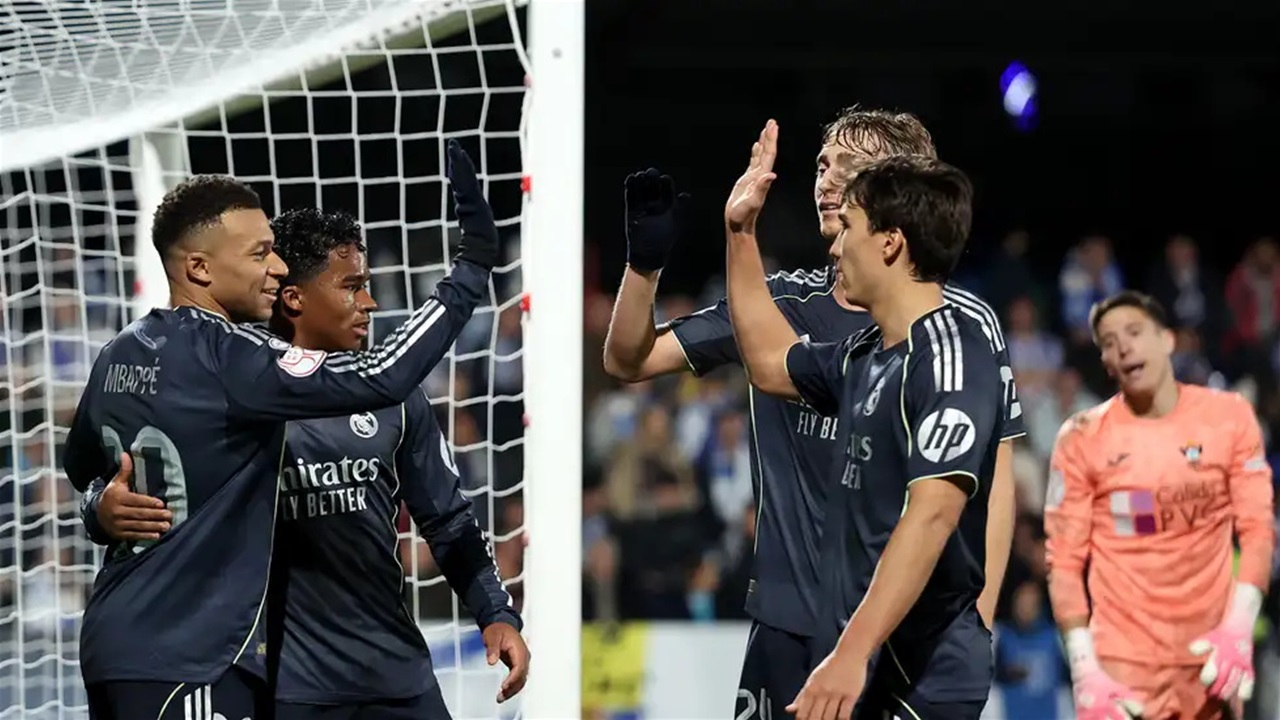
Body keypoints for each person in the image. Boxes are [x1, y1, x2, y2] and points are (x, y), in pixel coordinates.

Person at [602, 107, 1022, 718]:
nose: (826, 182)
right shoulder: (819, 328)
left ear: (894, 199)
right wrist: (670, 257)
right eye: (822, 166)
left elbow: (982, 485)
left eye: (847, 169)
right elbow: (658, 361)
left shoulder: (956, 332)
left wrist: (979, 618)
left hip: (906, 631)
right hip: (791, 622)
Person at [63, 140, 498, 719]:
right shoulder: (233, 357)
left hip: (119, 641)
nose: (276, 267)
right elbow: (385, 374)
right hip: (194, 654)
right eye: (260, 253)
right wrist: (471, 268)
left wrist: (98, 506)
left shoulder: (120, 352)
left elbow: (82, 466)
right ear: (199, 267)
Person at [724, 120, 1000, 720]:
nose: (833, 246)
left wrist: (851, 653)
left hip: (918, 674)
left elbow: (931, 516)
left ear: (890, 243)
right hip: (854, 652)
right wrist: (740, 232)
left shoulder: (954, 356)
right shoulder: (865, 354)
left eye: (848, 227)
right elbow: (769, 363)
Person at [1045, 290, 1274, 720]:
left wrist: (1240, 627)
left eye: (1134, 332)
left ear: (1168, 339)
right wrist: (1084, 668)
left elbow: (1258, 529)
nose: (1123, 346)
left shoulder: (1230, 417)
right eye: (1109, 342)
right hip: (1123, 670)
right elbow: (1064, 562)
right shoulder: (1081, 438)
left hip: (1211, 660)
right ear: (1106, 362)